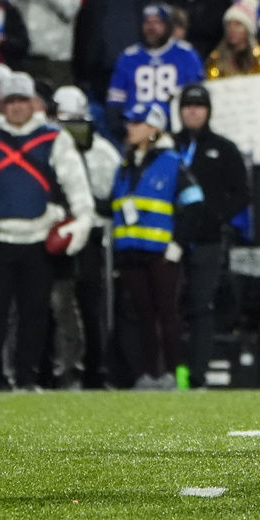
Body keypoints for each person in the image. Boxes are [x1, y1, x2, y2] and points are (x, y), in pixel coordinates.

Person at [0, 72, 93, 390]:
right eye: (9, 101)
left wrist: (81, 219)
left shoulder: (55, 138)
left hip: (39, 238)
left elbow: (76, 185)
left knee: (35, 314)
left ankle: (28, 376)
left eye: (21, 101)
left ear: (32, 103)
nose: (16, 107)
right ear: (1, 105)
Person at [111, 101, 204, 389]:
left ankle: (177, 375)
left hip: (161, 254)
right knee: (143, 316)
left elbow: (195, 204)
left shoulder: (172, 162)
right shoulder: (126, 164)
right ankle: (150, 373)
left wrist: (178, 244)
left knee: (167, 314)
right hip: (130, 251)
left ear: (154, 129)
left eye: (138, 123)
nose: (131, 128)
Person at [172, 84, 249, 388]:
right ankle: (171, 373)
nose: (193, 111)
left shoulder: (224, 148)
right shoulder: (168, 146)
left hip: (207, 240)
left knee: (201, 307)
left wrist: (216, 216)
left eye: (198, 106)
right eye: (187, 106)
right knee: (169, 309)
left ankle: (198, 376)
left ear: (208, 111)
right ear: (179, 111)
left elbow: (242, 193)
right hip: (170, 239)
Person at [51, 85, 121, 389]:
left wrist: (88, 204)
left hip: (92, 236)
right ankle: (62, 367)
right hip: (56, 232)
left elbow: (114, 198)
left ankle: (96, 368)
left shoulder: (103, 152)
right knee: (57, 304)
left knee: (92, 306)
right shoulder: (49, 145)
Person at [106, 3, 205, 140]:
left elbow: (198, 97)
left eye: (157, 22)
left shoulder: (186, 55)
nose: (151, 27)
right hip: (136, 130)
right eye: (147, 22)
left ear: (168, 26)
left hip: (175, 131)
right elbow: (115, 103)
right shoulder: (128, 57)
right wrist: (123, 131)